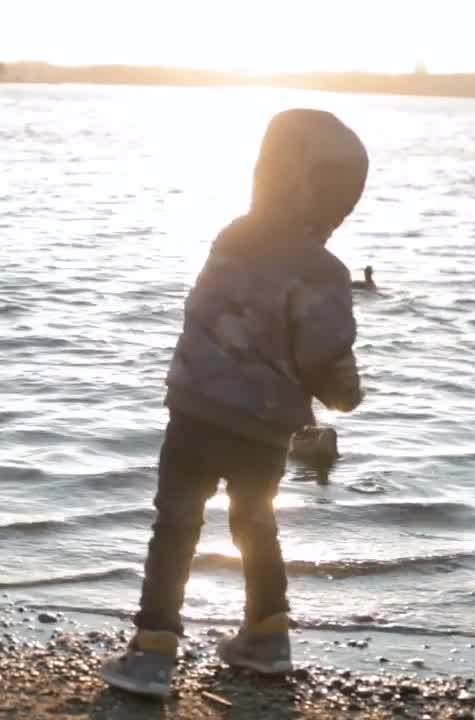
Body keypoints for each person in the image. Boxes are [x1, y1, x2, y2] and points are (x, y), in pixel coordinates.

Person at [99, 109, 369, 699]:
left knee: (175, 524)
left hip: (195, 408)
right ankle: (267, 636)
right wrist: (345, 395)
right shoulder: (323, 271)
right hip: (266, 424)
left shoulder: (233, 237)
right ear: (335, 201)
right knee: (256, 520)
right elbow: (325, 356)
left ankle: (153, 651)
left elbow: (201, 312)